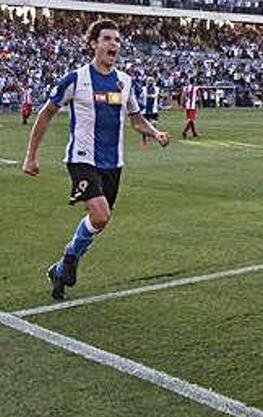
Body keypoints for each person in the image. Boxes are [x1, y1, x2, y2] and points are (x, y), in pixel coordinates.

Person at [21, 19, 170, 301]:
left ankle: (63, 266)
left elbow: (136, 119)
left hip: (113, 163)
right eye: (108, 39)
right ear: (93, 43)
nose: (114, 44)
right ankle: (70, 259)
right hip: (82, 158)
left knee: (100, 221)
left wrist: (154, 132)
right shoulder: (76, 79)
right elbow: (46, 113)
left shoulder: (125, 82)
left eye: (117, 40)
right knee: (100, 213)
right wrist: (31, 156)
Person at [141, 76, 160, 146]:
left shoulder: (157, 89)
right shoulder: (143, 89)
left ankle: (154, 137)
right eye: (149, 81)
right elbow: (142, 96)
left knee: (154, 123)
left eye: (152, 81)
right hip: (145, 110)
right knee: (144, 125)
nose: (150, 82)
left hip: (154, 109)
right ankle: (144, 140)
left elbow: (156, 96)